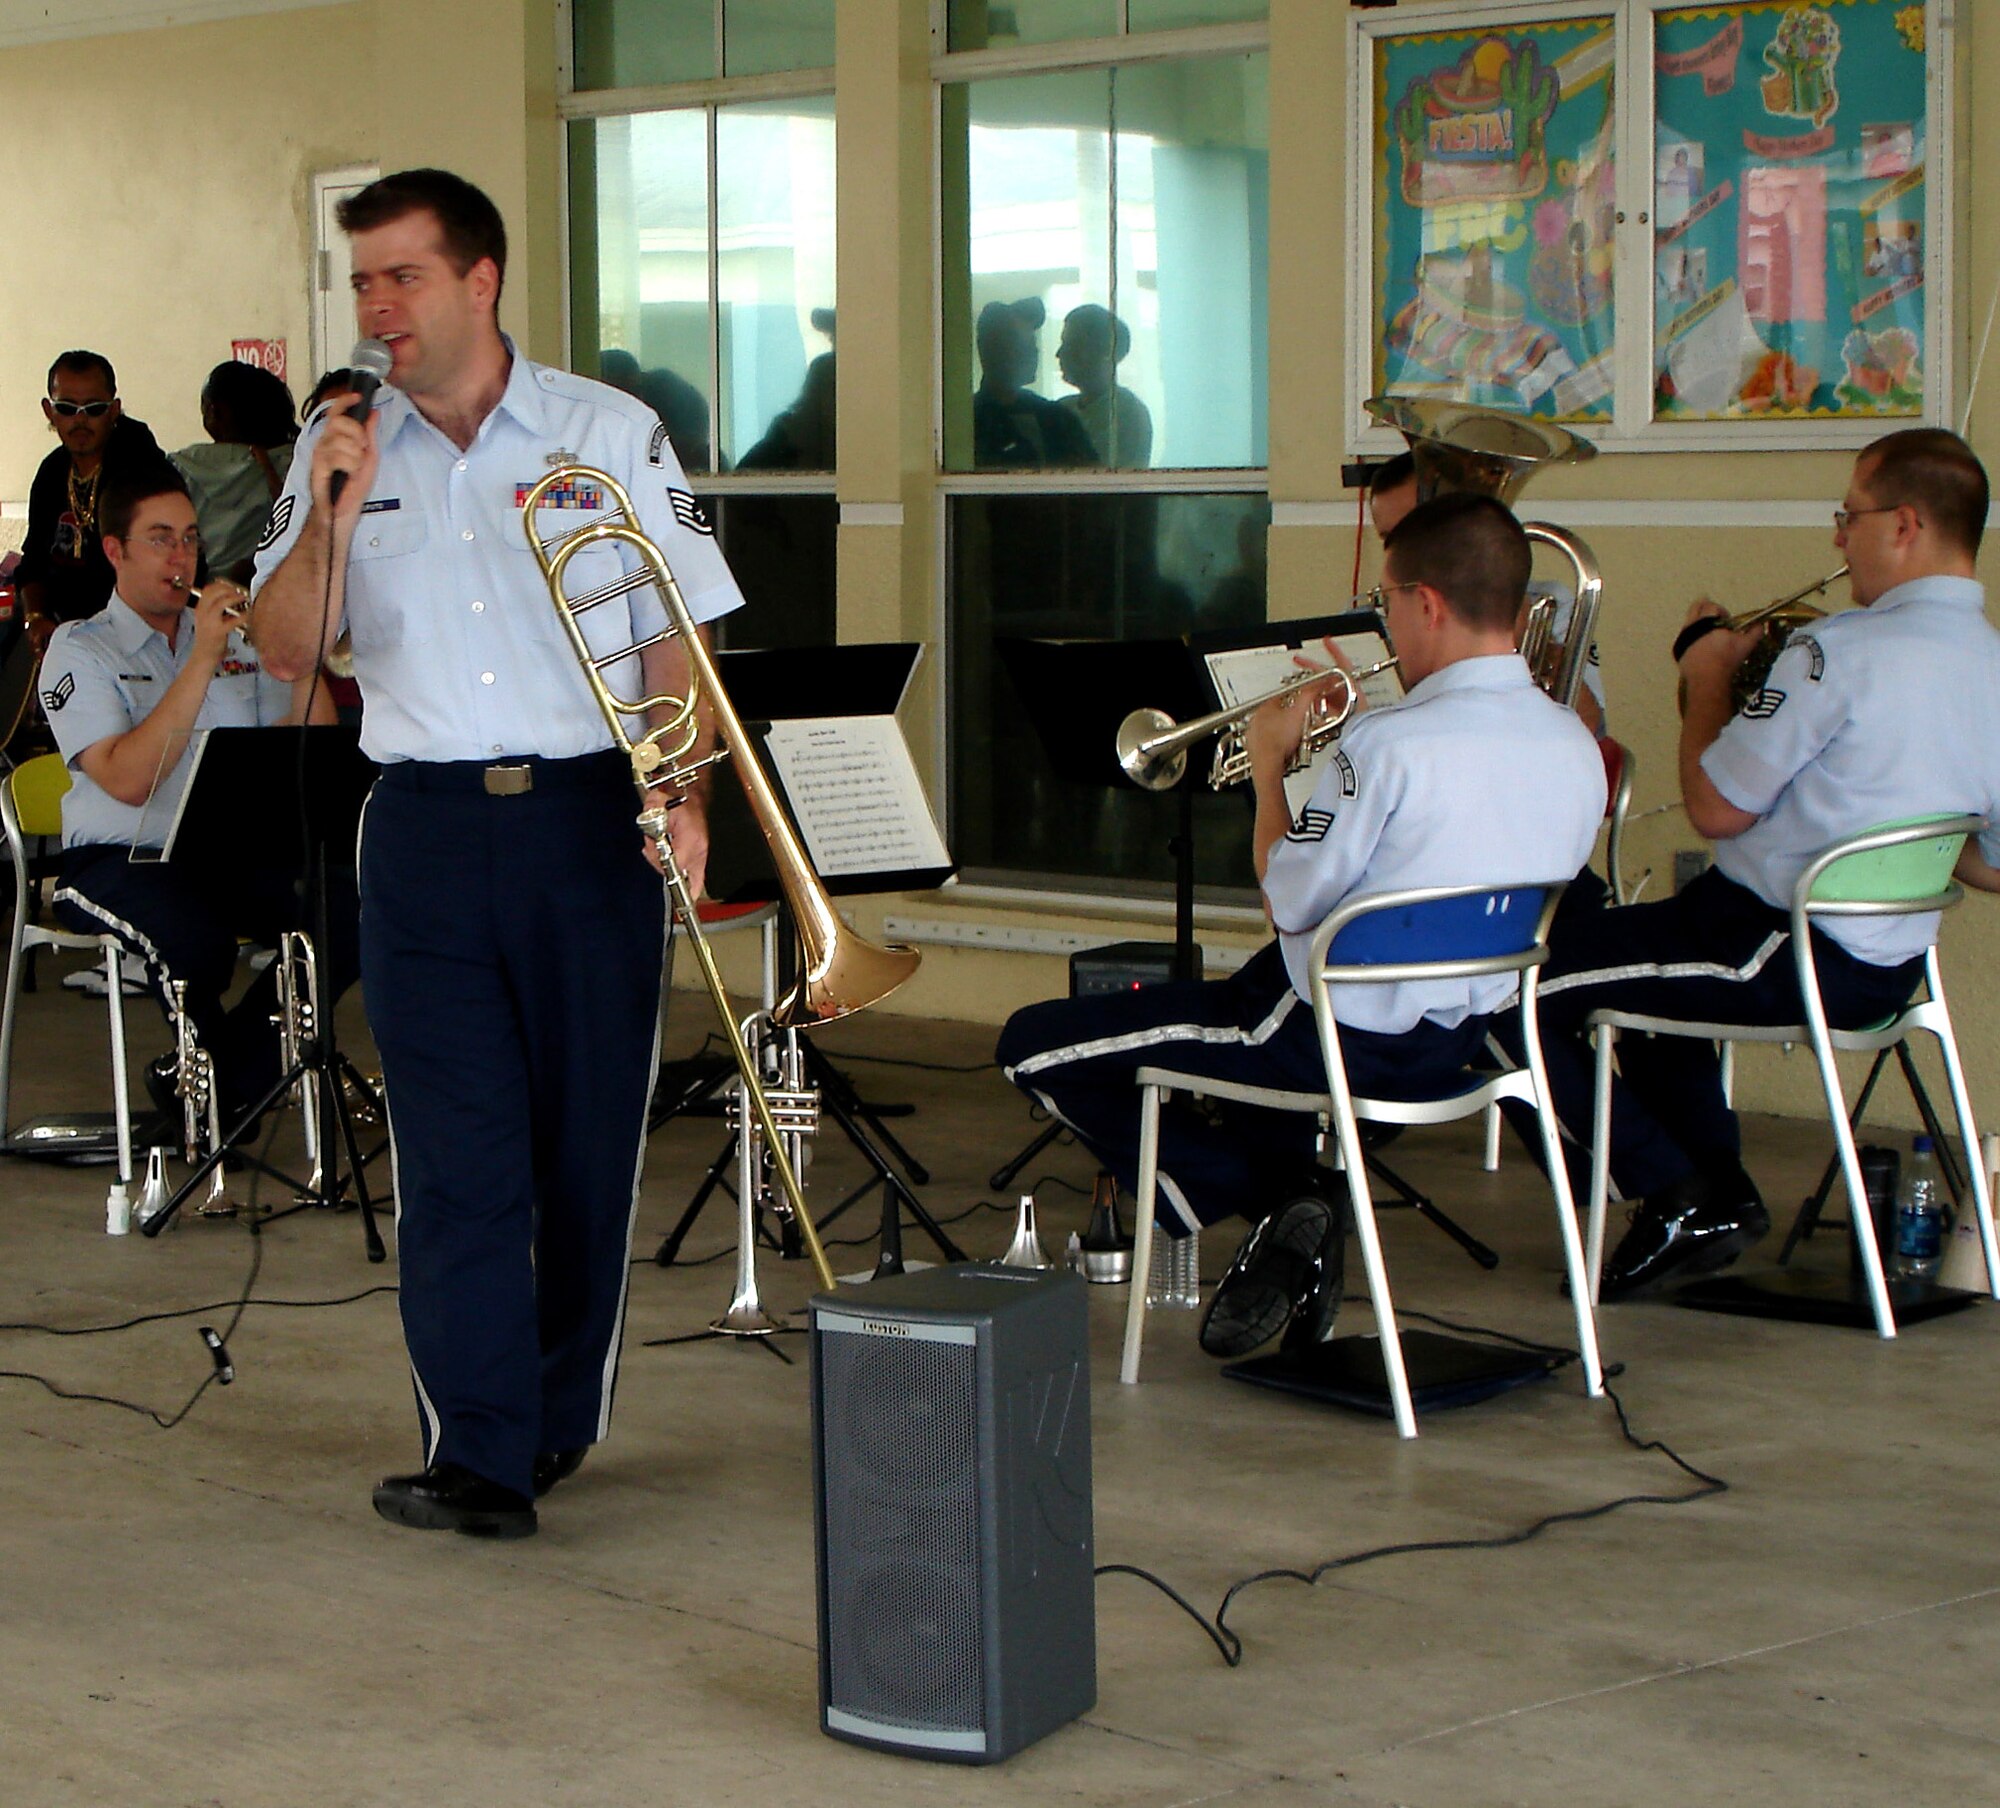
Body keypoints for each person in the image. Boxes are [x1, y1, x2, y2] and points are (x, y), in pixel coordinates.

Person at [251, 168, 746, 1541]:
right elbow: (288, 649)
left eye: (402, 276)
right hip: (420, 828)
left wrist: (683, 786)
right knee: (455, 1152)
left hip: (590, 819)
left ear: (481, 281)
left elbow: (676, 634)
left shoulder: (609, 430)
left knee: (583, 1146)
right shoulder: (340, 446)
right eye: (361, 282)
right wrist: (334, 512)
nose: (376, 308)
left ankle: (553, 1416)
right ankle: (478, 1449)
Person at [996, 493, 1606, 1354]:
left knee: (1033, 1045)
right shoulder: (1574, 744)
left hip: (1321, 1030)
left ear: (1426, 603)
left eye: (1385, 604)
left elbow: (1287, 895)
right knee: (1234, 1078)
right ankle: (1294, 1200)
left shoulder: (1391, 745)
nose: (1384, 625)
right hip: (1457, 1040)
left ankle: (1288, 1202)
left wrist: (1273, 762)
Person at [1528, 428, 2000, 1299]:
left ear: (1903, 524)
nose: (1836, 537)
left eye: (1847, 516)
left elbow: (1715, 808)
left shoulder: (1837, 652)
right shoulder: (1993, 664)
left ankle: (1670, 1191)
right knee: (1639, 953)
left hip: (1780, 946)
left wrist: (1708, 671)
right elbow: (1988, 864)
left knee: (1513, 989)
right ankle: (1715, 1190)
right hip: (1886, 970)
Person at [39, 463, 346, 1127]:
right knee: (196, 942)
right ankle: (217, 1100)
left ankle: (218, 1085)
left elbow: (308, 752)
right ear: (115, 550)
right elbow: (124, 778)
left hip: (223, 853)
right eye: (160, 539)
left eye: (190, 538)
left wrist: (295, 655)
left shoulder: (235, 643)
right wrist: (201, 657)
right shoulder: (80, 648)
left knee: (350, 909)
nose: (182, 557)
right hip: (119, 857)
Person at [1368, 453, 1606, 738]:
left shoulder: (1548, 602)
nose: (1403, 546)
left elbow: (1591, 729)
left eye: (1411, 528)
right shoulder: (1364, 615)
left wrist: (1526, 637)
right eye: (1388, 538)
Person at [16, 352, 162, 648]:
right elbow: (33, 561)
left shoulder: (144, 471)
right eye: (67, 408)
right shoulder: (50, 472)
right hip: (66, 636)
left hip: (140, 639)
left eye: (94, 409)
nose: (80, 420)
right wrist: (35, 617)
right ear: (49, 410)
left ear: (113, 410)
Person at [171, 361, 300, 584]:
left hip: (200, 592)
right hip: (274, 587)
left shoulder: (184, 464)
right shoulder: (300, 461)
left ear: (214, 411)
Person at [972, 298, 1098, 469]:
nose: (1033, 352)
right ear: (985, 349)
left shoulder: (1058, 419)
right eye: (1017, 342)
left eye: (1032, 342)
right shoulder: (966, 424)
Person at [1056, 304, 1152, 469]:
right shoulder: (1061, 409)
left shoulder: (1126, 413)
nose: (1059, 353)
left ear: (1104, 352)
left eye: (1072, 344)